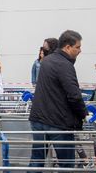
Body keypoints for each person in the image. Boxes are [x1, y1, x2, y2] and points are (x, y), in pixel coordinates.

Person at [29, 30, 86, 170]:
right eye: (77, 47)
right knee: (66, 164)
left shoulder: (46, 61)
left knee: (37, 160)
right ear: (67, 47)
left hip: (38, 118)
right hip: (58, 121)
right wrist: (83, 114)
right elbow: (74, 95)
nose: (80, 50)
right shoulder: (65, 65)